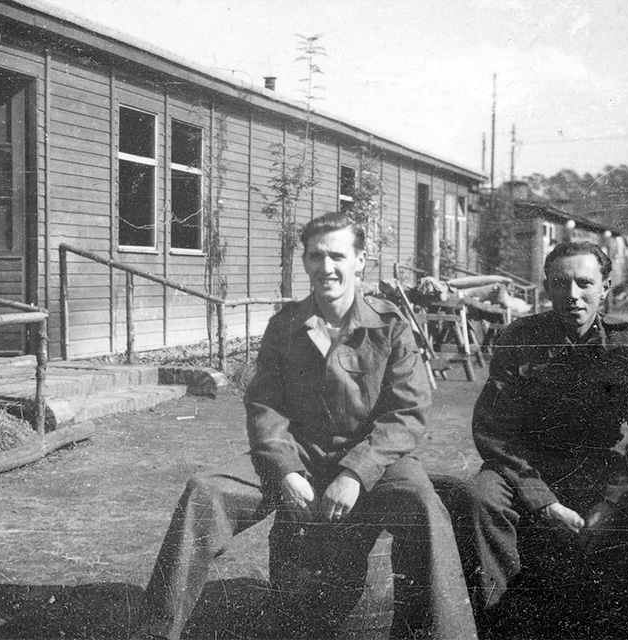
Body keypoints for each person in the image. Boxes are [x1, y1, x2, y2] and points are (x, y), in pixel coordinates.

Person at [134, 212, 477, 640]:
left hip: (374, 459)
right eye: (316, 256)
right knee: (206, 490)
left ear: (360, 261)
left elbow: (407, 413)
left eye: (337, 255)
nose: (326, 267)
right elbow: (264, 404)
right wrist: (285, 468)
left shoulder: (390, 327)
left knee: (423, 506)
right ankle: (154, 631)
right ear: (305, 262)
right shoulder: (286, 325)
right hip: (299, 454)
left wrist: (356, 472)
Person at [454, 241, 628, 636]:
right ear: (546, 288)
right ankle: (497, 622)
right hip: (524, 467)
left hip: (596, 467)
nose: (573, 295)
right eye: (561, 283)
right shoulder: (519, 338)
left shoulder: (625, 344)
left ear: (605, 286)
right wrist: (543, 503)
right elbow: (494, 431)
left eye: (584, 283)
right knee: (480, 496)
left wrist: (612, 500)